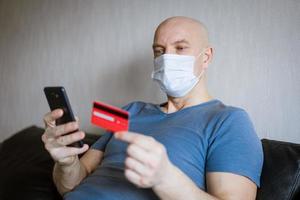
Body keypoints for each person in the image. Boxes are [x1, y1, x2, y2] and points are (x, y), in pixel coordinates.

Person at [42, 16, 263, 200]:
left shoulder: (229, 120)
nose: (167, 58)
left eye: (180, 48)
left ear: (206, 57)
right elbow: (70, 186)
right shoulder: (128, 111)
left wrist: (167, 180)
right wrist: (67, 163)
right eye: (159, 51)